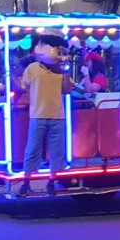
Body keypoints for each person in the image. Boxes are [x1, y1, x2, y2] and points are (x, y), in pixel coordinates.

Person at [17, 33, 74, 197]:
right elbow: (23, 87)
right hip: (38, 115)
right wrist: (12, 76)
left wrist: (65, 72)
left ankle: (51, 182)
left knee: (57, 152)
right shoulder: (32, 68)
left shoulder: (60, 70)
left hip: (58, 116)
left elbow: (67, 90)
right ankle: (26, 182)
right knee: (32, 150)